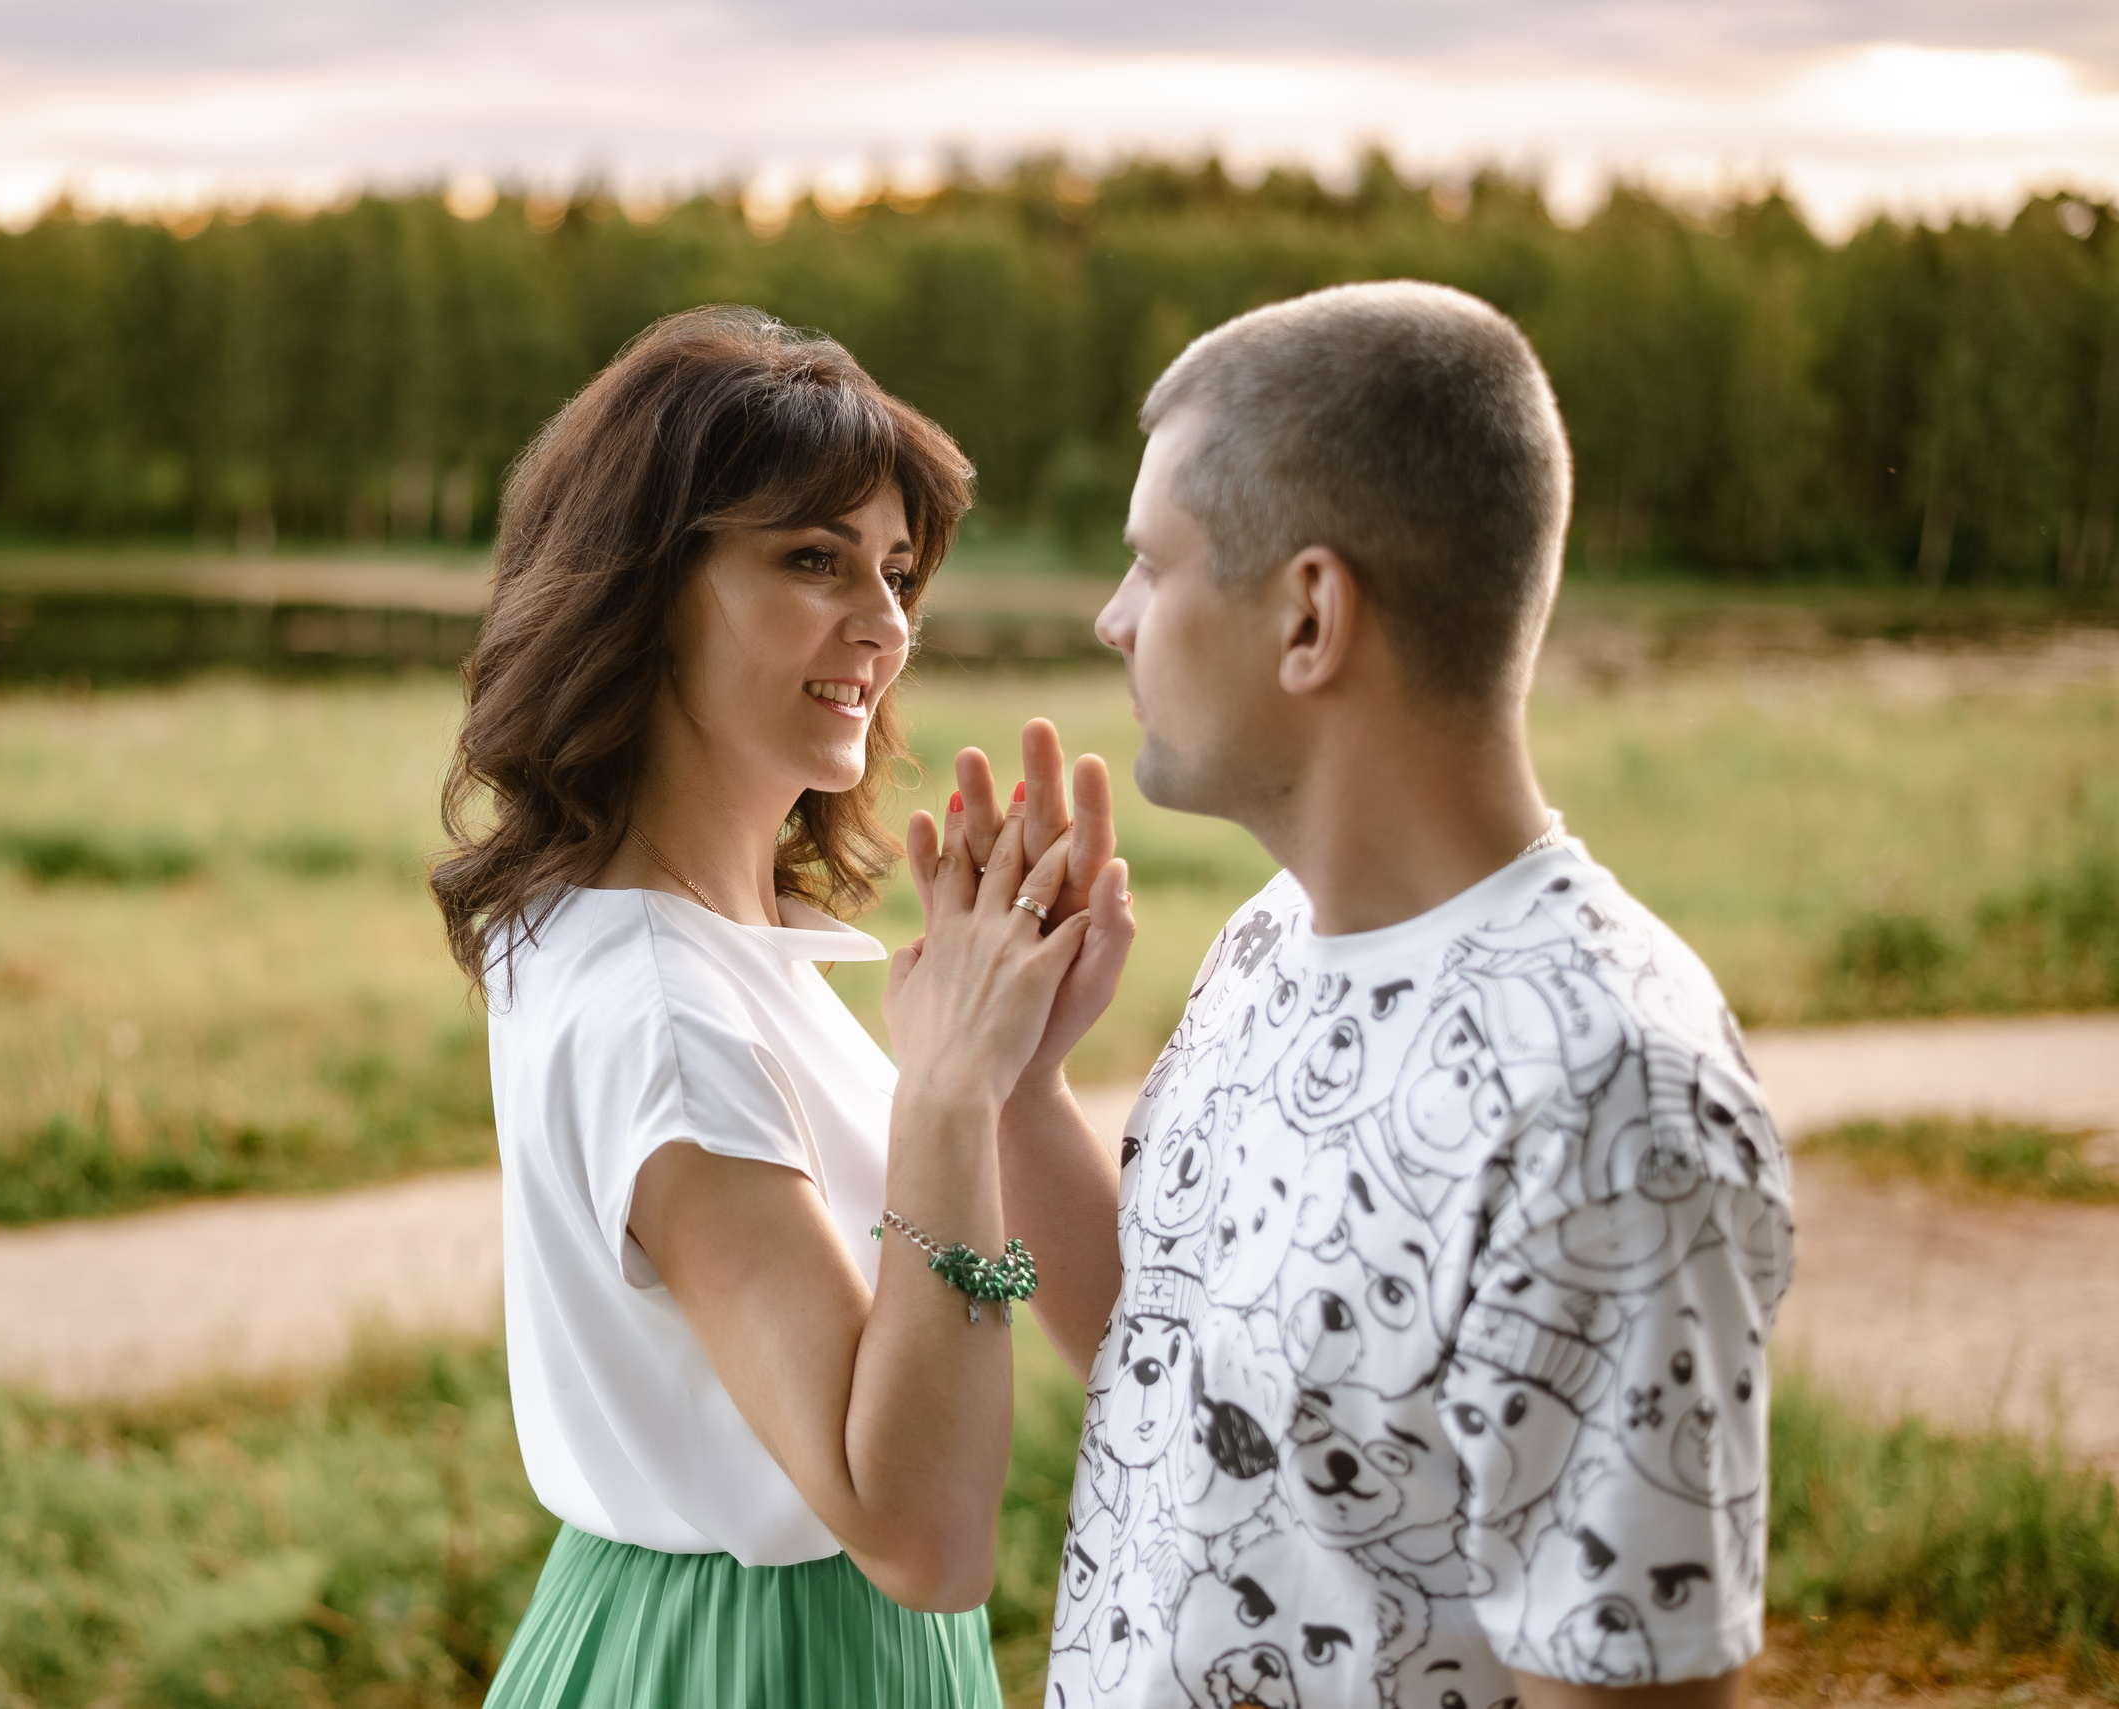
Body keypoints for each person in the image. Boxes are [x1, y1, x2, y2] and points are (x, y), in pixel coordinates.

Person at [981, 281, 1799, 1708]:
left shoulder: (1610, 1098)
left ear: (1309, 614)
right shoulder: (1266, 943)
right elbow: (1182, 1377)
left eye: (1149, 566)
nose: (1113, 620)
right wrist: (1011, 1084)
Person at [429, 306, 1135, 1706]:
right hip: (750, 1661)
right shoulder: (665, 1011)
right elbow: (920, 1531)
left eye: (896, 570)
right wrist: (940, 1092)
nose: (882, 624)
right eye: (812, 560)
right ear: (644, 587)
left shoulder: (690, 941)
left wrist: (1008, 1086)